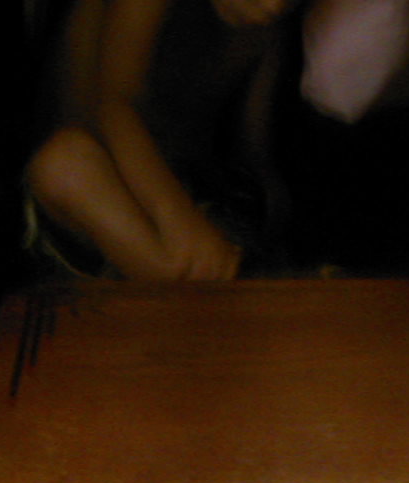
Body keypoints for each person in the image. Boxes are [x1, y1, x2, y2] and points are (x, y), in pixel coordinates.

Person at [24, 0, 301, 280]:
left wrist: (260, 205)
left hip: (185, 185)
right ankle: (193, 281)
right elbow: (114, 108)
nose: (275, 8)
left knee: (203, 251)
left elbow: (252, 147)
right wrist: (177, 216)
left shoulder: (267, 29)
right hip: (103, 179)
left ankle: (195, 277)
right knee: (63, 164)